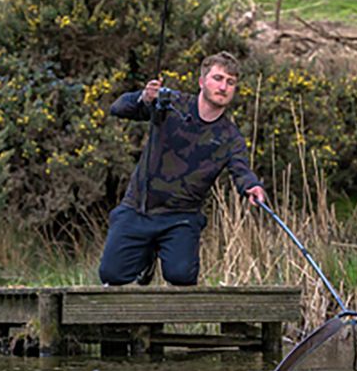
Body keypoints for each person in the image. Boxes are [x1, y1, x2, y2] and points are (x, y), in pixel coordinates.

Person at [99, 51, 266, 286]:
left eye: (230, 82)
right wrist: (145, 98)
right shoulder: (169, 104)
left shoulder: (230, 136)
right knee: (111, 275)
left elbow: (241, 170)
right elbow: (119, 108)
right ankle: (145, 260)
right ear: (201, 82)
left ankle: (163, 254)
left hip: (182, 217)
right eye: (217, 78)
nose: (223, 87)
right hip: (139, 207)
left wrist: (253, 186)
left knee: (181, 277)